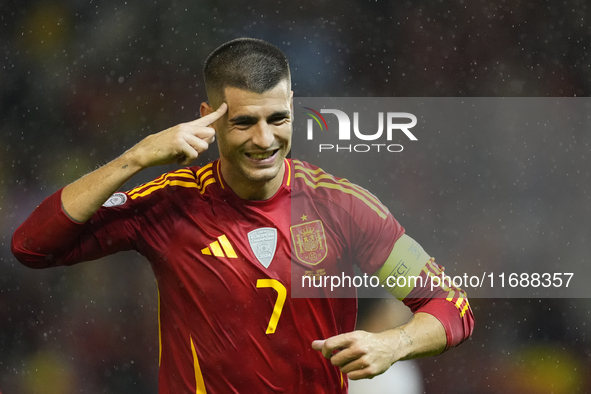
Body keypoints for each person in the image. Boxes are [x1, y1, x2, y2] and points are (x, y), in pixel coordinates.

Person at [12, 38, 474, 393]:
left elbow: (450, 305)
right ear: (208, 117)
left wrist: (393, 344)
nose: (264, 140)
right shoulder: (169, 203)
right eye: (243, 122)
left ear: (293, 108)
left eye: (277, 119)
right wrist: (134, 159)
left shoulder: (343, 206)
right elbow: (31, 247)